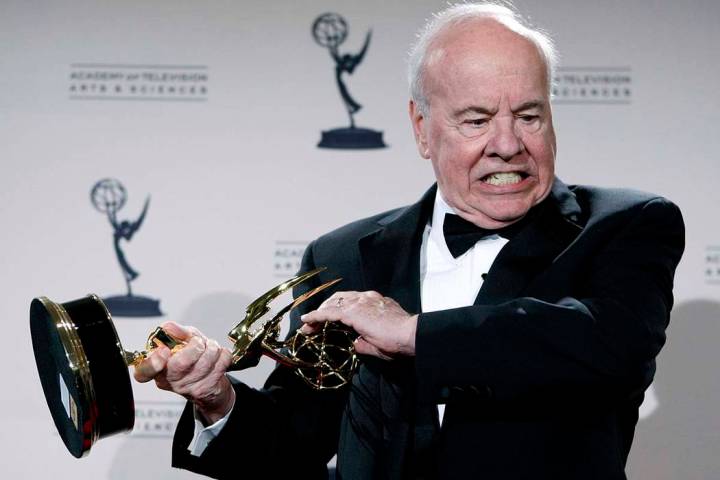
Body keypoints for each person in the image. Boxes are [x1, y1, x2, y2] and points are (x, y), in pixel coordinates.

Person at [135, 3, 685, 479]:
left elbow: (606, 345)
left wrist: (410, 332)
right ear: (422, 127)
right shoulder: (341, 257)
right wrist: (216, 399)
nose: (507, 144)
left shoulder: (625, 225)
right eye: (476, 120)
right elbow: (288, 450)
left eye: (528, 115)